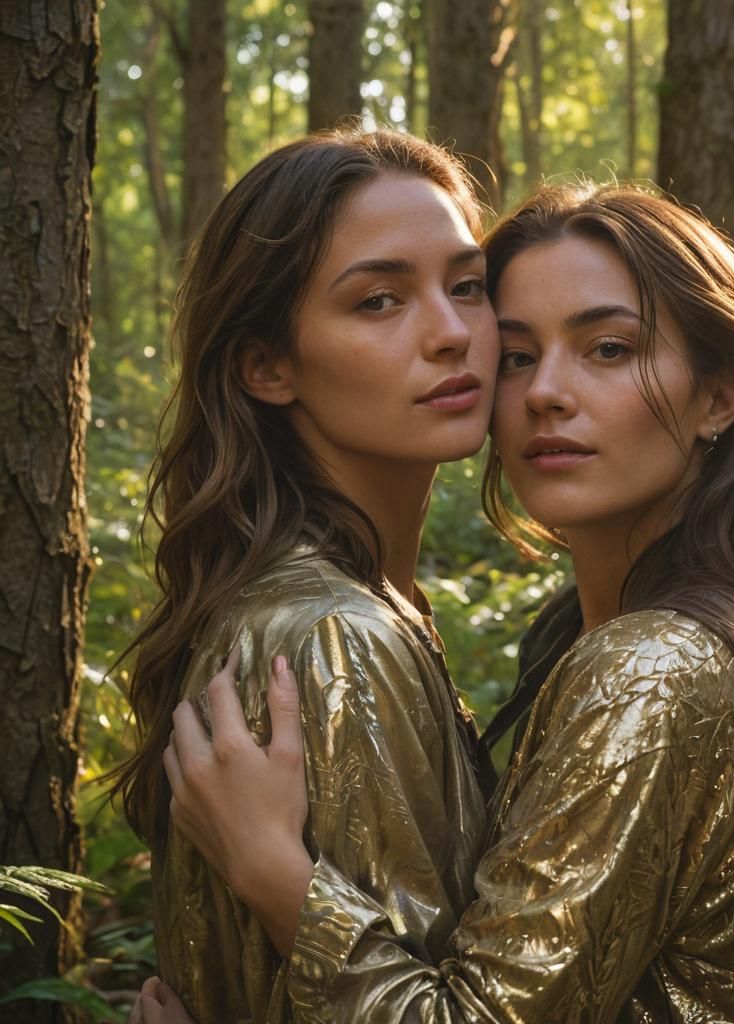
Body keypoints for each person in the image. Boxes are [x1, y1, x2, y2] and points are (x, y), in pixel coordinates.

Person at [140, 183, 734, 1022]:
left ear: (718, 398)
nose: (546, 391)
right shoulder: (601, 636)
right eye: (514, 354)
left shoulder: (656, 667)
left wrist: (273, 872)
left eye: (608, 349)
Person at [112, 127, 503, 1024]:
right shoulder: (336, 638)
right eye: (379, 301)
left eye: (468, 286)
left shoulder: (356, 602)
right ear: (267, 366)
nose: (452, 334)